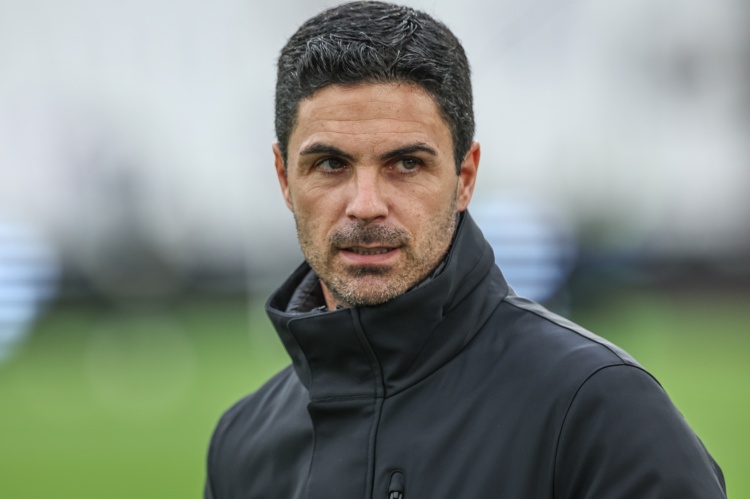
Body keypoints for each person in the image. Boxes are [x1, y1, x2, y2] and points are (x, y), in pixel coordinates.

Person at [204, 2, 726, 498]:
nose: (365, 205)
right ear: (284, 178)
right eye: (330, 164)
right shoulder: (244, 445)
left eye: (406, 164)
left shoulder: (599, 408)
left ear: (465, 178)